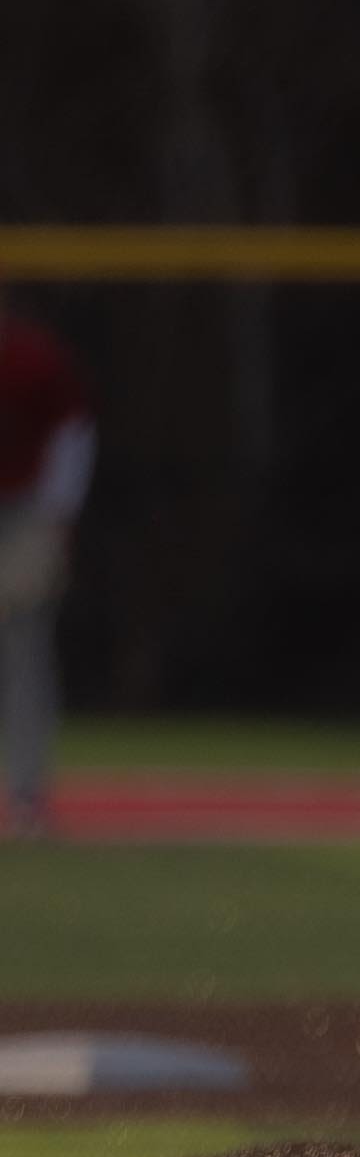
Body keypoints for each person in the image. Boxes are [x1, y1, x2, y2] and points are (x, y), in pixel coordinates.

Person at [0, 294, 96, 838]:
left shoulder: (34, 358)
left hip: (23, 510)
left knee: (24, 647)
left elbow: (74, 432)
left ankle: (27, 796)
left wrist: (58, 514)